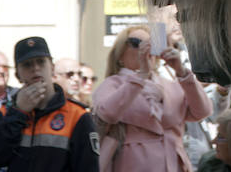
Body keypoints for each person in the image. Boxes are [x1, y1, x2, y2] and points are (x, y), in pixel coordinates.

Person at [91, 24, 212, 172]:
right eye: (136, 43)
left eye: (151, 44)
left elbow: (202, 111)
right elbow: (107, 114)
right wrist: (140, 76)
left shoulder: (170, 85)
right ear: (120, 54)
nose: (145, 48)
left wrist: (182, 72)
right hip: (132, 164)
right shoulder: (113, 84)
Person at [0, 37, 99, 171]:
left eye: (41, 62)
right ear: (18, 74)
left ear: (52, 68)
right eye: (27, 64)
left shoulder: (77, 115)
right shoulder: (7, 111)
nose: (35, 68)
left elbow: (88, 167)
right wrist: (18, 113)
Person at [156, 6, 231, 168]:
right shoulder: (152, 60)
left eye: (182, 18)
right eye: (174, 18)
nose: (179, 24)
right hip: (163, 148)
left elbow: (213, 113)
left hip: (198, 147)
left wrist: (222, 90)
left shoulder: (195, 57)